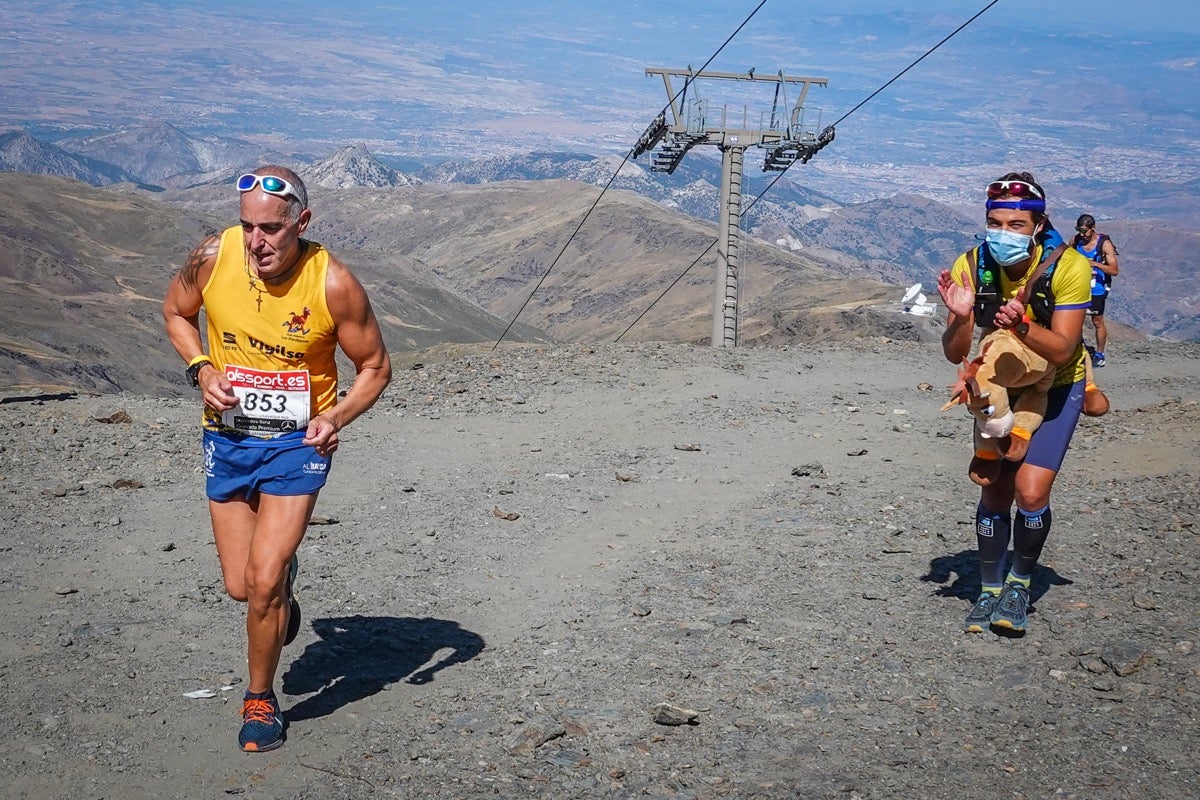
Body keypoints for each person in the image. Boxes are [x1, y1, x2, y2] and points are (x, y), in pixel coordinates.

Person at [162, 166, 392, 751]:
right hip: (229, 438)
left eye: (270, 229)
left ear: (302, 223)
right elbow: (176, 314)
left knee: (261, 583)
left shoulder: (333, 282)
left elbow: (375, 368)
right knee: (244, 588)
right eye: (247, 227)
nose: (256, 242)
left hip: (296, 443)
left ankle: (260, 699)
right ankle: (281, 588)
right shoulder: (214, 256)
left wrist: (334, 418)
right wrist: (202, 368)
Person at [936, 171, 1091, 635]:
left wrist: (1021, 324)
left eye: (1016, 225)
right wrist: (962, 318)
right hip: (998, 382)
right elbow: (955, 351)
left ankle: (1019, 583)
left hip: (1059, 382)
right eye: (995, 222)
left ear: (1038, 226)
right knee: (995, 490)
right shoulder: (971, 265)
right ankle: (988, 589)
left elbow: (1064, 349)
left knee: (1029, 492)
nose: (1003, 232)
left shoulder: (1069, 267)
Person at [1071, 214, 1120, 367]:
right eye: (1079, 230)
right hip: (1078, 286)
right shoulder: (1076, 241)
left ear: (1093, 228)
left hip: (1096, 288)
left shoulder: (1104, 244)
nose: (1081, 234)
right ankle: (1078, 349)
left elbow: (1114, 270)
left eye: (1085, 231)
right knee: (1075, 319)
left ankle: (1099, 354)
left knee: (1097, 321)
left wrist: (1094, 264)